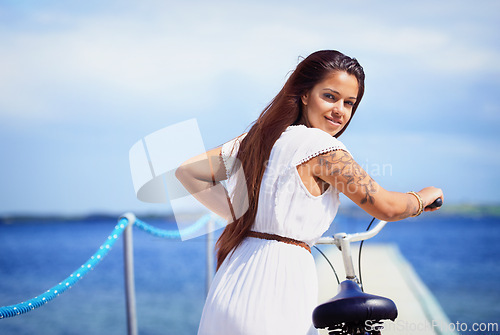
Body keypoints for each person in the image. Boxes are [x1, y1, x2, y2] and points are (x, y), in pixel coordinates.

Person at [175, 50, 443, 335]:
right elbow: (386, 207)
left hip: (230, 282)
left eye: (349, 102)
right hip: (278, 287)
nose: (340, 109)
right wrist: (423, 197)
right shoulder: (320, 147)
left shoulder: (257, 138)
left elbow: (188, 172)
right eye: (330, 96)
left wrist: (242, 214)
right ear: (304, 95)